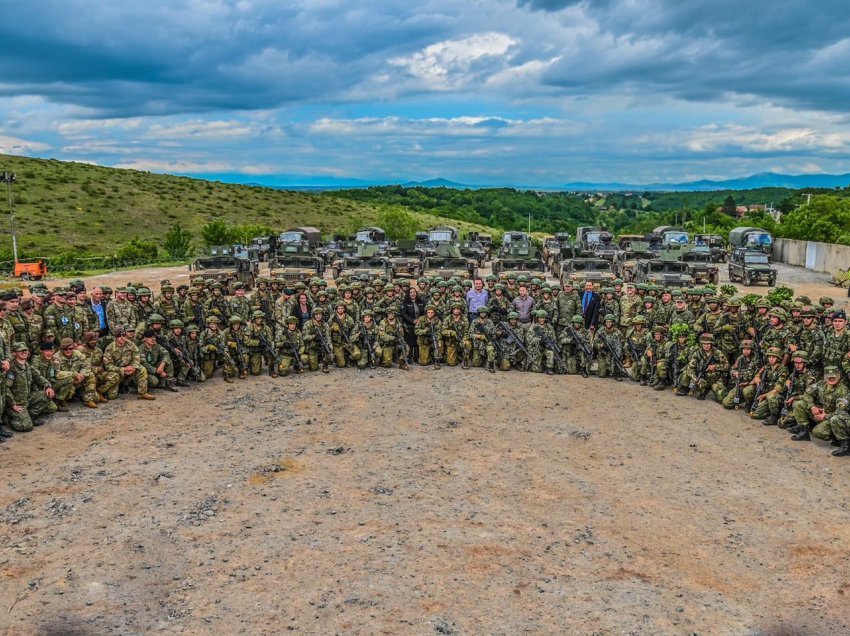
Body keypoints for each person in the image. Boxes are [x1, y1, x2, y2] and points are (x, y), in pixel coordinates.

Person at [4, 342, 56, 432]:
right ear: (14, 353)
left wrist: (48, 386)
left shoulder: (26, 365)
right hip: (17, 402)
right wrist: (12, 404)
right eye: (21, 351)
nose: (24, 352)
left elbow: (38, 377)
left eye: (25, 350)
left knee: (47, 396)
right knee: (26, 427)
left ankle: (30, 416)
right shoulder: (11, 368)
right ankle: (7, 418)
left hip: (28, 398)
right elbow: (6, 388)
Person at [102, 325, 155, 400]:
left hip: (130, 369)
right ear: (115, 337)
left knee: (142, 369)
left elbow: (136, 357)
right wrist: (123, 369)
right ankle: (99, 392)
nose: (122, 338)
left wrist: (134, 367)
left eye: (123, 335)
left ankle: (142, 393)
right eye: (119, 336)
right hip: (117, 372)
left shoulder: (131, 344)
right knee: (111, 397)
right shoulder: (110, 348)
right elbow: (108, 366)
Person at [400, 287, 425, 363]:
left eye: (414, 292)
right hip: (409, 325)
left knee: (418, 341)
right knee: (410, 342)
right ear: (408, 294)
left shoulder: (421, 302)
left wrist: (420, 320)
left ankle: (417, 357)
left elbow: (424, 312)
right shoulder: (405, 303)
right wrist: (412, 320)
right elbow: (404, 314)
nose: (412, 294)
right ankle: (409, 357)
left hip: (419, 324)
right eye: (411, 292)